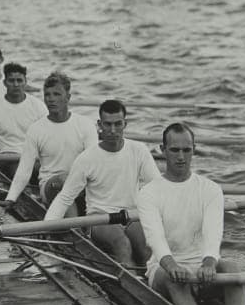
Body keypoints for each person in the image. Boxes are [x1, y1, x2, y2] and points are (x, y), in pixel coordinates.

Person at [137, 123, 245, 305]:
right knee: (173, 278)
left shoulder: (211, 189)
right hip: (165, 271)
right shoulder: (149, 192)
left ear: (194, 150)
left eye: (186, 150)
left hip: (202, 270)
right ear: (163, 150)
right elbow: (155, 239)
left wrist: (209, 263)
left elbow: (214, 232)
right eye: (175, 150)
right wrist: (171, 265)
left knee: (231, 267)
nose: (181, 157)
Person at [44, 100, 161, 266]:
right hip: (100, 219)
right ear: (99, 124)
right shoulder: (87, 158)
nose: (113, 130)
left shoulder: (139, 150)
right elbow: (65, 197)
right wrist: (45, 226)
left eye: (117, 124)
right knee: (123, 244)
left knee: (147, 249)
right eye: (108, 124)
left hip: (131, 215)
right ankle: (131, 284)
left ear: (125, 124)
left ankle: (150, 281)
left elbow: (159, 188)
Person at [0, 70, 97, 213]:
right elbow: (24, 170)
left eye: (57, 94)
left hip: (81, 186)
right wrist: (10, 198)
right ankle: (75, 229)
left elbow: (96, 164)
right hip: (51, 185)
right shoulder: (36, 129)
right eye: (47, 95)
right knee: (63, 181)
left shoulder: (85, 124)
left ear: (68, 97)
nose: (51, 99)